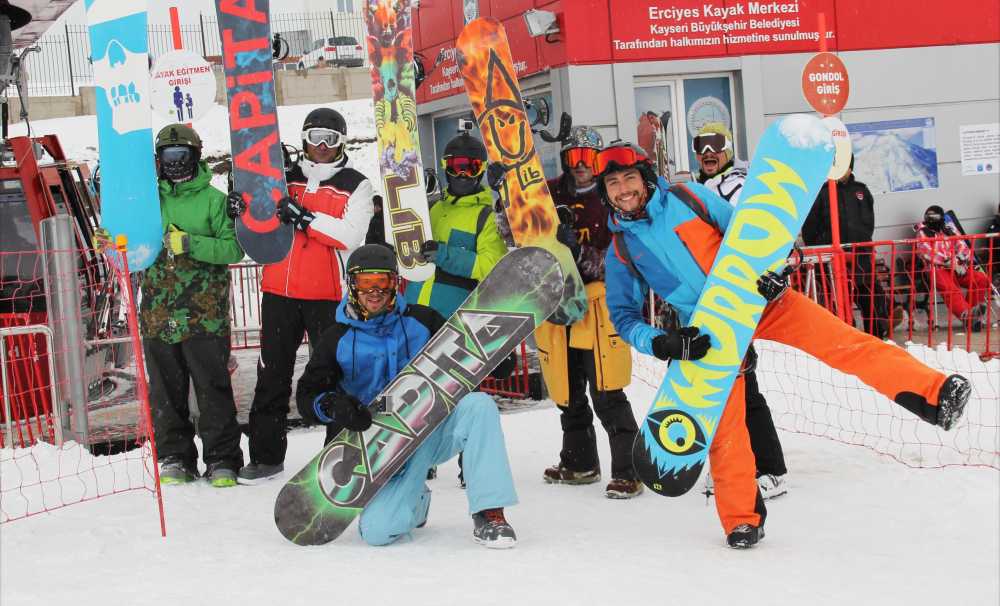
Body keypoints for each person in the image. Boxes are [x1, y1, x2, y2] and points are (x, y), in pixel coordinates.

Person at [595, 142, 971, 548]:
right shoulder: (621, 249)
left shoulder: (690, 198)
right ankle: (741, 520)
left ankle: (936, 394)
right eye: (613, 183)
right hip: (709, 334)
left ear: (646, 179)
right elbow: (624, 318)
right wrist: (664, 343)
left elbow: (753, 234)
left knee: (846, 344)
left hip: (761, 301)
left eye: (629, 178)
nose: (623, 189)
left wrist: (777, 267)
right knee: (725, 428)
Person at [295, 245, 519, 548]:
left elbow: (467, 351)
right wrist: (334, 406)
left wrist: (494, 359)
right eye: (365, 283)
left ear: (395, 283)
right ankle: (416, 502)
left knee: (478, 406)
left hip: (430, 430)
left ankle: (489, 512)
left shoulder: (423, 320)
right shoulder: (336, 337)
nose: (374, 291)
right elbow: (307, 395)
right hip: (379, 449)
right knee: (377, 532)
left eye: (382, 282)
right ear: (351, 285)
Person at [227, 107, 375, 484]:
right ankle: (265, 456)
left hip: (329, 297)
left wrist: (306, 218)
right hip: (279, 292)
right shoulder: (282, 177)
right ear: (304, 139)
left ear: (342, 142)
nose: (321, 146)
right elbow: (258, 221)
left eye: (330, 139)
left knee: (332, 375)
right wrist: (239, 209)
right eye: (314, 138)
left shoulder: (355, 183)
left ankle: (338, 455)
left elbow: (350, 235)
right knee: (271, 374)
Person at [125, 124, 245, 487]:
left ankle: (223, 458)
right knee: (165, 389)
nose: (175, 165)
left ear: (195, 157)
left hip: (204, 315)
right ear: (158, 162)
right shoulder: (147, 200)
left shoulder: (213, 200)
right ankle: (175, 457)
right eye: (167, 158)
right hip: (159, 314)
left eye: (182, 157)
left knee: (212, 387)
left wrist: (192, 244)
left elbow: (232, 249)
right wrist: (110, 238)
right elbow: (128, 245)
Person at [534, 126, 641, 499]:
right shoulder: (550, 190)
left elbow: (618, 257)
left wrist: (576, 252)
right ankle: (579, 462)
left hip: (597, 304)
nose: (580, 166)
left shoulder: (609, 198)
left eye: (588, 158)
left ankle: (629, 469)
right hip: (557, 302)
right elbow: (517, 222)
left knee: (607, 389)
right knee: (567, 389)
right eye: (574, 157)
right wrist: (503, 193)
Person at [692, 122, 788, 500]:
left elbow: (770, 228)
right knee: (716, 383)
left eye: (716, 144)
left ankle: (771, 468)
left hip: (739, 294)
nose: (708, 152)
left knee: (744, 382)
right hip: (708, 297)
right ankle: (733, 464)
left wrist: (776, 270)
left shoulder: (740, 185)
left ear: (729, 148)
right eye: (701, 146)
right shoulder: (699, 190)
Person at [408, 132, 508, 319]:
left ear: (482, 171)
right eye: (456, 168)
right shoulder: (431, 207)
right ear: (446, 168)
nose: (463, 175)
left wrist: (445, 255)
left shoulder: (487, 216)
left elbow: (491, 267)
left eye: (472, 168)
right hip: (413, 311)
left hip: (453, 320)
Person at [801, 155, 899, 338]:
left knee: (870, 294)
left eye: (844, 166)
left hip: (859, 255)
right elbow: (810, 228)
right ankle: (844, 335)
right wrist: (822, 246)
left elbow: (868, 222)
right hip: (831, 259)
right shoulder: (821, 193)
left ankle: (877, 334)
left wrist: (863, 241)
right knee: (836, 299)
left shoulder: (860, 191)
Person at [914, 205, 992, 331]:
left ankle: (972, 315)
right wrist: (948, 261)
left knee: (981, 279)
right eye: (930, 217)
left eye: (935, 217)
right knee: (950, 288)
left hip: (956, 266)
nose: (932, 220)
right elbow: (926, 252)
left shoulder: (948, 229)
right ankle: (966, 315)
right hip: (937, 268)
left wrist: (959, 260)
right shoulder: (922, 232)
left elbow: (962, 245)